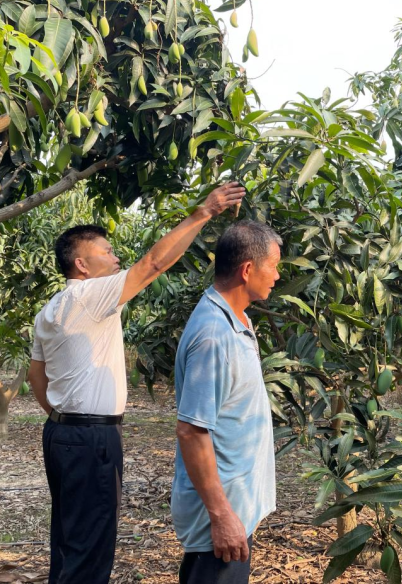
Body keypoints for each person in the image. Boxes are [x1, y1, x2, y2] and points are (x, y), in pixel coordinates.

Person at [27, 183, 245, 584]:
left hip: (60, 434)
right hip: (91, 439)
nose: (116, 258)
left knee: (69, 540)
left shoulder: (51, 308)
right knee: (90, 549)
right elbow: (153, 264)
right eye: (106, 252)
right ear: (82, 265)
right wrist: (204, 212)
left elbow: (35, 374)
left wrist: (62, 416)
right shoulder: (90, 295)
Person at [172, 220, 281, 584]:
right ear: (247, 270)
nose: (278, 276)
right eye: (274, 266)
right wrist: (221, 516)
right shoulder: (214, 336)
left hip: (236, 506)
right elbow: (191, 431)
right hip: (219, 518)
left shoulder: (237, 319)